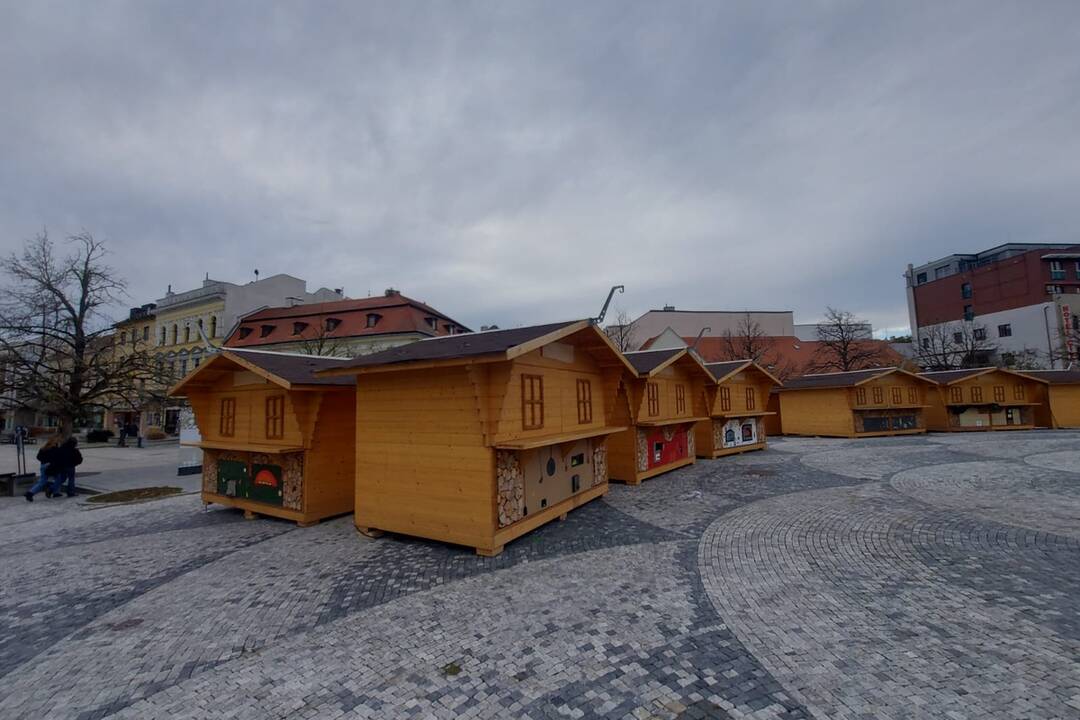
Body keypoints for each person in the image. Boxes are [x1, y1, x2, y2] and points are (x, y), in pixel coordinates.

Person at [25, 434, 64, 502]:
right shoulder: (55, 449)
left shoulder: (44, 448)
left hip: (43, 466)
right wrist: (49, 462)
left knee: (43, 481)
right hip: (51, 466)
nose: (59, 440)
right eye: (58, 439)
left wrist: (44, 462)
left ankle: (30, 493)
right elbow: (56, 459)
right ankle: (50, 490)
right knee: (58, 479)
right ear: (55, 441)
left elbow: (38, 457)